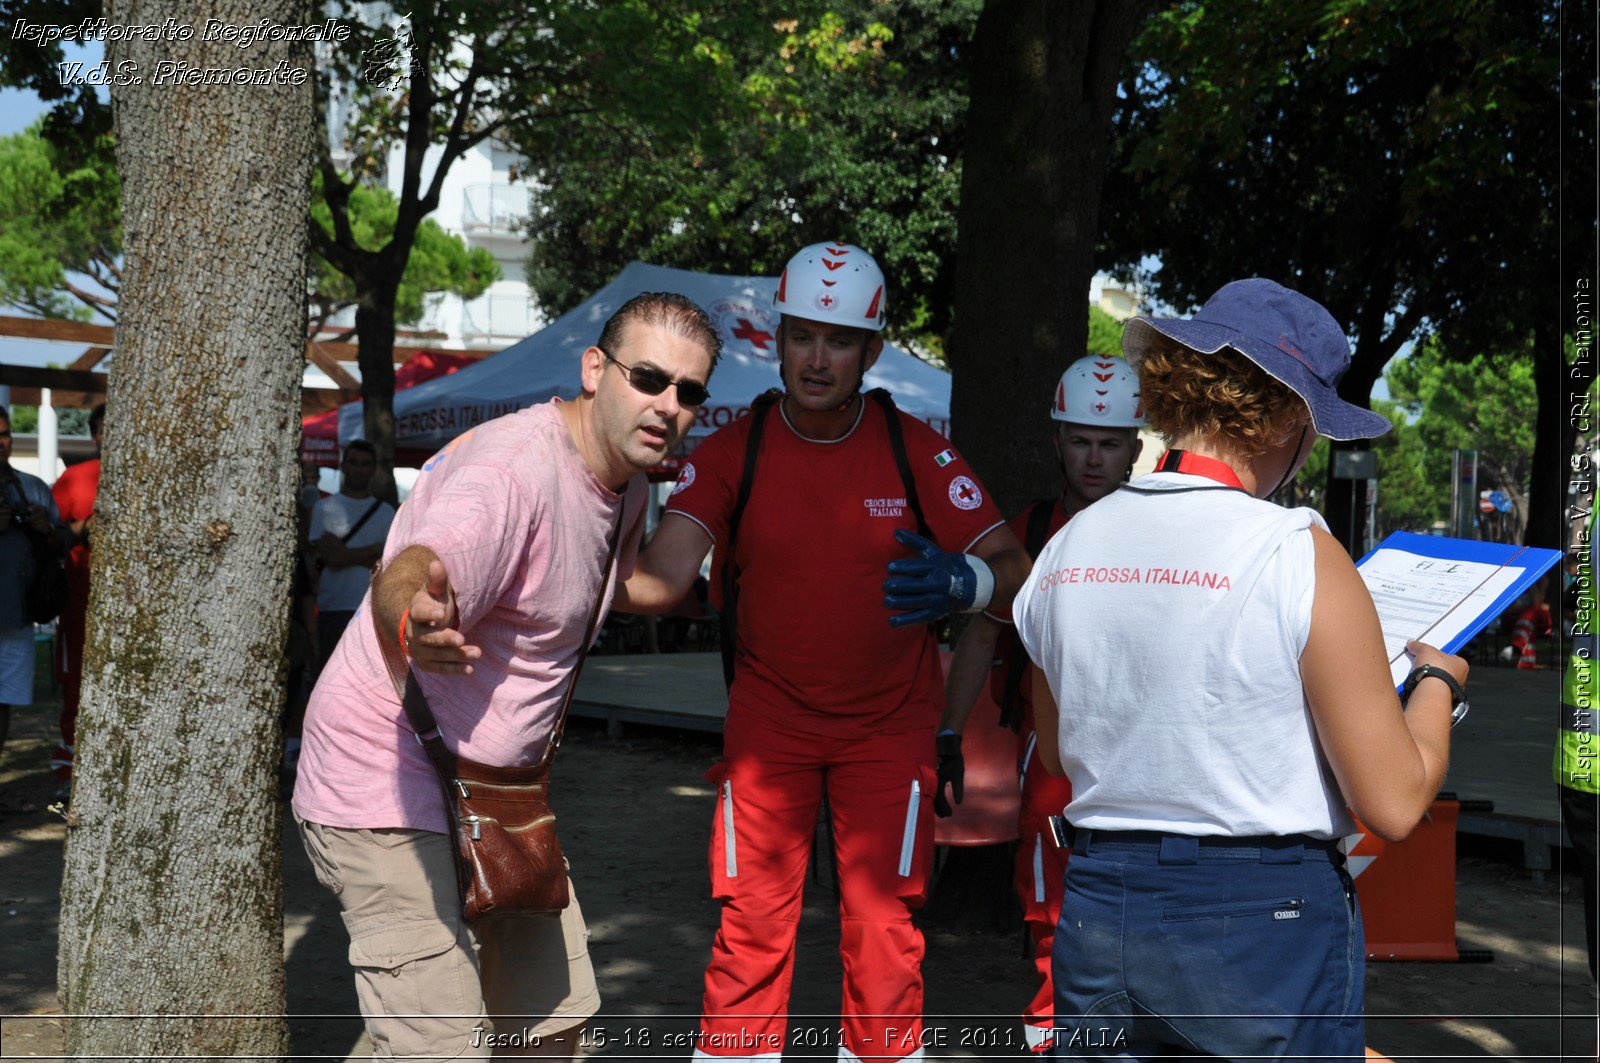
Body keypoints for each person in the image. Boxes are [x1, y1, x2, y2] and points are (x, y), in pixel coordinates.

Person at [1013, 278, 1469, 1058]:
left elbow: (1057, 750)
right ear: (1289, 417)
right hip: (1262, 918)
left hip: (1101, 902)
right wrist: (1437, 685)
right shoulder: (1295, 550)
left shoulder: (1066, 548)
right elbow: (1393, 803)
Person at [613, 242, 1030, 1062]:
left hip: (888, 729)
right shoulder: (739, 449)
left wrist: (967, 580)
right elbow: (660, 581)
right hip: (772, 728)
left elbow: (1020, 576)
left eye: (839, 341)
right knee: (751, 929)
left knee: (883, 932)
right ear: (777, 338)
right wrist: (558, 561)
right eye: (802, 335)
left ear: (871, 351)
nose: (817, 357)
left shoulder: (916, 449)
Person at [292, 292, 720, 1060]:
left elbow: (634, 584)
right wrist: (417, 619)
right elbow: (418, 565)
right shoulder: (512, 474)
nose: (668, 405)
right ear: (596, 369)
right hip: (383, 780)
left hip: (496, 798)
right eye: (649, 377)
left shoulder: (623, 482)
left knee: (549, 1034)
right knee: (444, 1046)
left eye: (689, 392)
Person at [937, 355, 1144, 1052]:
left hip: (1145, 762)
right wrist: (947, 731)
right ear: (1057, 440)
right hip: (1052, 768)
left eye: (1110, 442)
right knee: (1056, 911)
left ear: (1134, 449)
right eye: (1081, 439)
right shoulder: (1023, 536)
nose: (1094, 456)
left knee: (1139, 910)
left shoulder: (1162, 536)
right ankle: (1051, 1037)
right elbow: (979, 637)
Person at [0, 408, 65, 782]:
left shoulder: (32, 487)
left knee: (3, 706)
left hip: (17, 614)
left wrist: (44, 530)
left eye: (6, 434)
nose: (2, 443)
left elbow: (61, 545)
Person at [50, 403, 104, 797]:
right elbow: (49, 535)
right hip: (79, 601)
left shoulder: (155, 478)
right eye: (104, 430)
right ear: (94, 435)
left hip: (136, 607)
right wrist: (81, 529)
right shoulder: (75, 478)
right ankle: (69, 776)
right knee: (77, 687)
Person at [308, 440, 396, 679]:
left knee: (369, 678)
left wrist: (346, 554)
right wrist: (374, 550)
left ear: (373, 469)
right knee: (330, 676)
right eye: (354, 462)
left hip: (371, 607)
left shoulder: (386, 512)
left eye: (365, 464)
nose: (359, 469)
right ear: (344, 466)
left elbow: (388, 564)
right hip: (333, 605)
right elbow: (332, 559)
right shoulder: (324, 508)